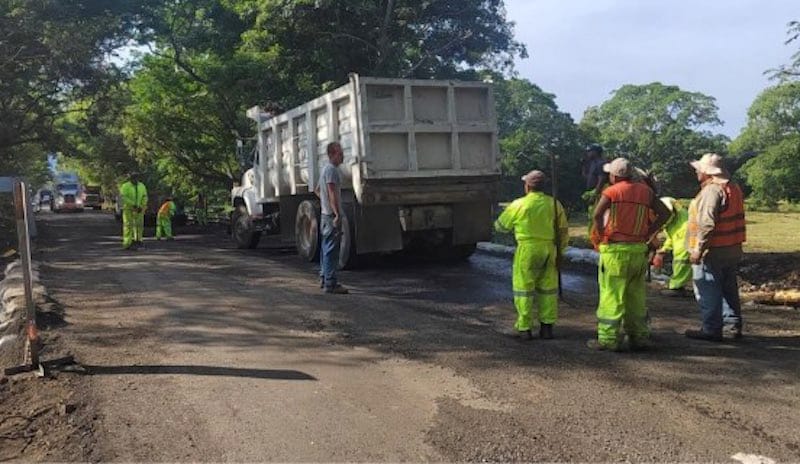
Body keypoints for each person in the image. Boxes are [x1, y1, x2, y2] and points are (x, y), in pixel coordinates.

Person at [588, 158, 671, 351]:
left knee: (612, 295)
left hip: (615, 251)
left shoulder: (611, 191)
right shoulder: (646, 192)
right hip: (638, 250)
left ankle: (608, 339)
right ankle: (638, 336)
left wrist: (601, 234)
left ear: (615, 176)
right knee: (636, 296)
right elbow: (665, 213)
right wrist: (648, 231)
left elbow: (597, 215)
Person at [495, 170, 569, 340]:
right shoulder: (554, 204)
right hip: (549, 249)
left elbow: (500, 226)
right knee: (548, 290)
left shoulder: (519, 204)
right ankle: (547, 328)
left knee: (524, 289)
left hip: (527, 249)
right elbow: (563, 231)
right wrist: (560, 252)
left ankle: (525, 328)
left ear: (527, 186)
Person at [685, 153, 746, 341]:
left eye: (699, 170)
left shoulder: (711, 191)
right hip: (732, 248)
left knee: (708, 289)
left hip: (713, 250)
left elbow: (706, 224)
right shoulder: (733, 188)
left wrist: (698, 250)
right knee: (728, 289)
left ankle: (711, 329)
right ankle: (732, 325)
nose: (696, 172)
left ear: (707, 173)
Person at [315, 141, 348, 294]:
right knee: (331, 250)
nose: (342, 156)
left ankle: (324, 278)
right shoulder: (332, 171)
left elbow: (317, 190)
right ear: (332, 154)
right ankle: (331, 283)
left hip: (324, 214)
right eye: (340, 153)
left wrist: (324, 204)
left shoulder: (324, 170)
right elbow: (331, 192)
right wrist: (336, 213)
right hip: (330, 216)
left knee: (325, 248)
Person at [652, 197, 692, 296]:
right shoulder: (674, 220)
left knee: (681, 260)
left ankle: (676, 286)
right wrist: (662, 251)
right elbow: (672, 237)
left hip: (687, 245)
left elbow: (681, 244)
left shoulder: (684, 222)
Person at [119, 172, 148, 250]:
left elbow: (144, 196)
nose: (135, 180)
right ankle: (127, 243)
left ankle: (138, 240)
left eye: (136, 178)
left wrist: (142, 206)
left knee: (139, 225)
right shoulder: (125, 186)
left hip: (139, 209)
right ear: (130, 179)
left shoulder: (142, 186)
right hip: (128, 209)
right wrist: (133, 205)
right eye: (133, 178)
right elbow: (123, 197)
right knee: (128, 225)